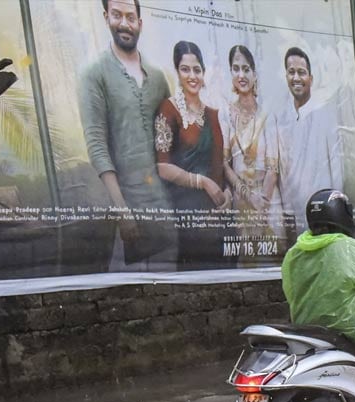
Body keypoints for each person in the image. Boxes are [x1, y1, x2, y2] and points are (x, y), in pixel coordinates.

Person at [77, 0, 174, 272]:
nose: (124, 23)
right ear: (106, 17)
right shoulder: (93, 74)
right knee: (131, 294)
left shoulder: (157, 77)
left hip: (166, 209)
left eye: (131, 17)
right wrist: (122, 211)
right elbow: (96, 145)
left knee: (175, 292)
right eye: (117, 15)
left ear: (140, 23)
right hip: (128, 215)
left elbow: (170, 141)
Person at [280, 189, 355, 356]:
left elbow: (291, 293)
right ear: (343, 215)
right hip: (354, 333)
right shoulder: (347, 248)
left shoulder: (293, 254)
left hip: (307, 332)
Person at [154, 41, 232, 269]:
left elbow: (220, 162)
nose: (192, 76)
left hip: (221, 215)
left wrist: (227, 192)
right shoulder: (168, 110)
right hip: (190, 218)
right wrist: (203, 182)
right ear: (177, 72)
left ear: (204, 72)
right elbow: (163, 167)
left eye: (197, 69)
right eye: (185, 69)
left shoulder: (214, 114)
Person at [222, 45, 283, 266]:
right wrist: (249, 197)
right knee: (248, 263)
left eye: (246, 69)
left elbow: (273, 168)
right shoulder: (226, 114)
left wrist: (262, 208)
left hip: (269, 199)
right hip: (242, 200)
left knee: (278, 261)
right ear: (231, 73)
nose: (241, 75)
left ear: (254, 74)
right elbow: (224, 164)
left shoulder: (267, 114)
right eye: (236, 69)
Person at [278, 47, 344, 239]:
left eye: (301, 72)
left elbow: (336, 165)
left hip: (325, 212)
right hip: (297, 213)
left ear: (311, 79)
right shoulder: (283, 119)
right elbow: (284, 170)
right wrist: (288, 212)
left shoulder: (325, 113)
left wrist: (335, 206)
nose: (296, 78)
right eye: (291, 72)